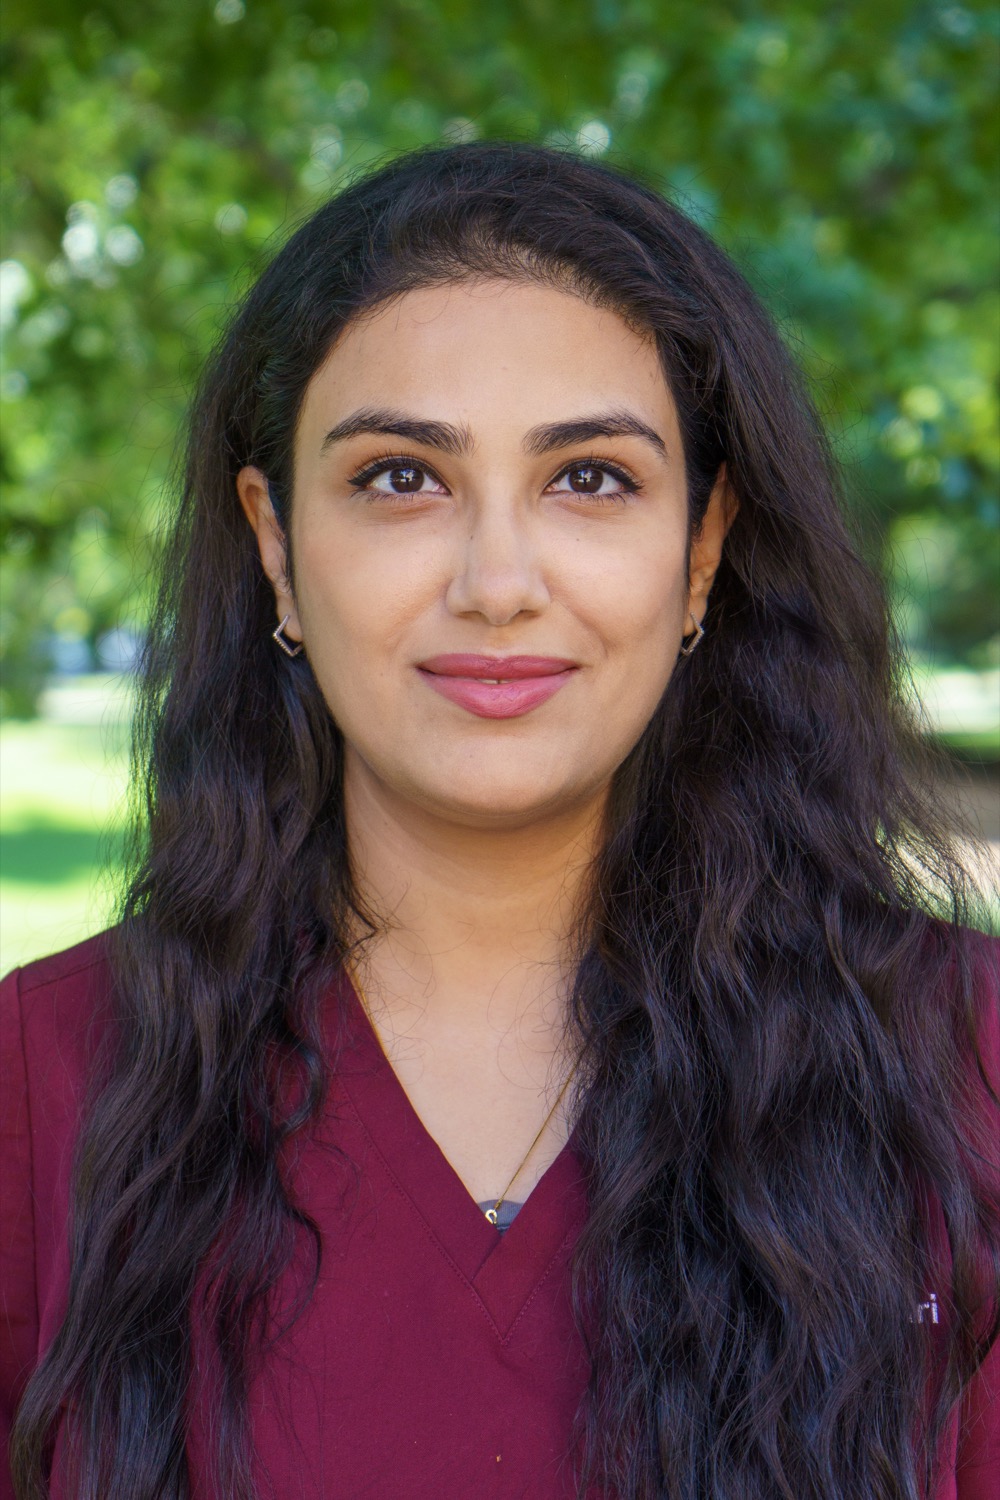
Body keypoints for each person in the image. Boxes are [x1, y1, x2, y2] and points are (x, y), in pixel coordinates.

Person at [1, 141, 997, 1500]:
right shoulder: (40, 1083)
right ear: (277, 545)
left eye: (589, 477)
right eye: (403, 478)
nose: (499, 581)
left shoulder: (968, 1062)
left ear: (701, 550)